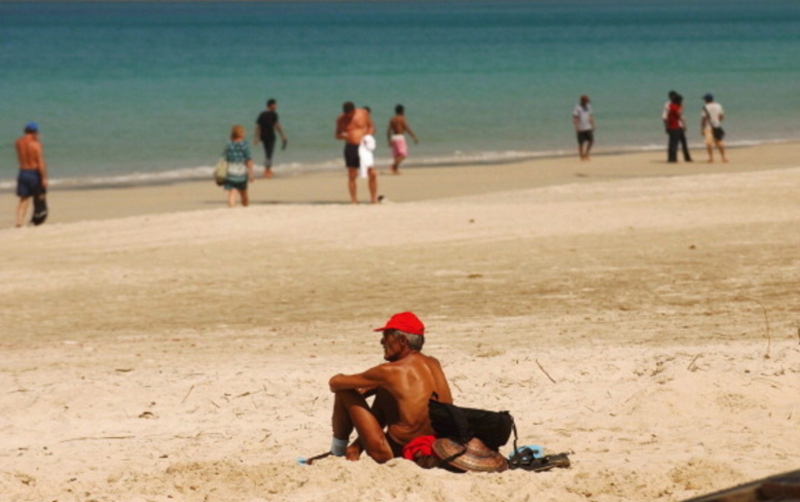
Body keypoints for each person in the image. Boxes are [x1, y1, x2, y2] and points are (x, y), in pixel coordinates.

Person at [328, 312, 453, 463]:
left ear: (402, 340)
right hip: (437, 445)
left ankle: (337, 451)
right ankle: (354, 449)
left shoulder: (390, 371)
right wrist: (377, 386)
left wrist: (365, 386)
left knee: (345, 391)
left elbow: (335, 382)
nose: (382, 342)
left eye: (386, 337)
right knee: (386, 391)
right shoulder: (433, 362)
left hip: (394, 450)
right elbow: (409, 390)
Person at [335, 101, 375, 204]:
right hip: (351, 147)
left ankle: (373, 199)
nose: (348, 116)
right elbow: (337, 134)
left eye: (349, 113)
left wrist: (368, 136)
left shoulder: (363, 113)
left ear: (353, 110)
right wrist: (345, 136)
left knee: (372, 172)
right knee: (352, 174)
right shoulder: (341, 119)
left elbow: (371, 127)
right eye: (346, 113)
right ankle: (354, 199)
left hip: (364, 146)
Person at [15, 122, 48, 227]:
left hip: (23, 172)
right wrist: (44, 177)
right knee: (38, 198)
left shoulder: (18, 143)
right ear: (35, 132)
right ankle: (36, 219)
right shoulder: (36, 144)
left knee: (23, 199)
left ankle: (19, 221)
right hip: (33, 172)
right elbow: (40, 162)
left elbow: (24, 150)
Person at [221, 125, 254, 207]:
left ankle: (231, 208)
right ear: (240, 134)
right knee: (243, 192)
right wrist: (251, 173)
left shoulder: (229, 144)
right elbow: (248, 159)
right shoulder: (244, 145)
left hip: (231, 171)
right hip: (241, 171)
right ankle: (245, 206)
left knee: (232, 192)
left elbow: (224, 157)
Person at [254, 98, 287, 178]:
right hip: (271, 136)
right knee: (269, 154)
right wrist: (282, 136)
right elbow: (277, 126)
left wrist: (256, 137)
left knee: (267, 153)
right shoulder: (274, 114)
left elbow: (258, 127)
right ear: (271, 105)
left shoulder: (262, 114)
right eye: (275, 105)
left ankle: (268, 169)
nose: (276, 106)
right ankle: (266, 171)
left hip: (263, 136)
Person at [386, 104, 418, 174]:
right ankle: (393, 166)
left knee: (396, 155)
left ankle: (395, 170)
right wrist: (413, 136)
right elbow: (406, 128)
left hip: (393, 137)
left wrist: (388, 140)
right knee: (403, 155)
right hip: (400, 137)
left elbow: (388, 131)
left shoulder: (392, 119)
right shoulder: (402, 118)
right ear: (402, 111)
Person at [701, 93, 727, 163]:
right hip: (717, 126)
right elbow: (721, 116)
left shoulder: (705, 107)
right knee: (719, 142)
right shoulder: (718, 105)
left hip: (708, 127)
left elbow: (704, 118)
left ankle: (711, 158)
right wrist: (717, 121)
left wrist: (702, 128)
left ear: (706, 100)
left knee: (709, 143)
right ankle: (723, 157)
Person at [665, 94, 691, 163]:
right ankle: (673, 159)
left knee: (672, 143)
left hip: (671, 126)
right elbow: (679, 115)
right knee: (675, 143)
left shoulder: (670, 106)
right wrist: (684, 124)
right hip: (676, 127)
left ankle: (671, 158)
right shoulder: (675, 108)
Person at [572, 95, 595, 160]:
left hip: (588, 127)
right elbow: (575, 117)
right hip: (581, 128)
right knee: (581, 143)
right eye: (586, 101)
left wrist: (593, 124)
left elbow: (590, 116)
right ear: (582, 101)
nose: (587, 103)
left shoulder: (588, 107)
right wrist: (576, 126)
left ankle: (586, 153)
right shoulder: (577, 107)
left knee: (591, 141)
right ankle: (581, 156)